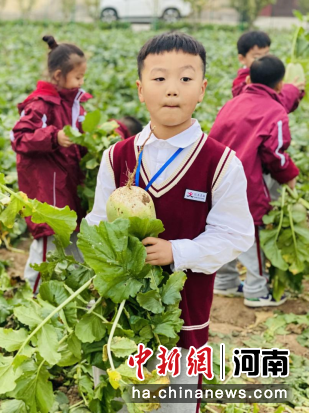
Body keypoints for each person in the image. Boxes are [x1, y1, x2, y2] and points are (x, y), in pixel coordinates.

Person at [86, 32, 254, 412]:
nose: (172, 90)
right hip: (119, 317)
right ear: (141, 89)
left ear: (203, 89)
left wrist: (176, 251)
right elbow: (97, 221)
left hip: (184, 315)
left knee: (176, 403)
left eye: (185, 78)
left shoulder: (221, 163)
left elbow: (234, 234)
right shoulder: (116, 156)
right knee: (120, 399)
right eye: (159, 79)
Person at [211, 55, 299, 307]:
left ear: (248, 79)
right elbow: (276, 153)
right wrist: (289, 176)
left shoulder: (232, 104)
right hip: (249, 182)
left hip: (218, 178)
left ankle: (225, 281)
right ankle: (256, 291)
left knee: (223, 228)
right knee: (251, 233)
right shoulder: (275, 111)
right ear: (280, 86)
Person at [10, 35, 91, 293]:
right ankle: (31, 304)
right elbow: (19, 138)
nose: (81, 82)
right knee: (46, 248)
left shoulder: (76, 105)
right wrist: (53, 137)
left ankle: (73, 300)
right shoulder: (40, 105)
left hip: (69, 187)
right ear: (58, 75)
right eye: (77, 77)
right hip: (46, 194)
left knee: (74, 246)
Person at [232, 30, 305, 113]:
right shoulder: (240, 83)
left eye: (266, 54)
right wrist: (291, 91)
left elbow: (283, 107)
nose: (264, 60)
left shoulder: (270, 75)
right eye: (256, 57)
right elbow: (272, 105)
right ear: (242, 59)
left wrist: (297, 92)